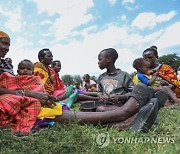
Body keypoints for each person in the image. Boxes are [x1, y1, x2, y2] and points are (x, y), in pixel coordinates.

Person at [0, 31, 164, 134]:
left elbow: (20, 83)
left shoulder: (7, 64)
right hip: (17, 99)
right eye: (4, 43)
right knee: (56, 112)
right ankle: (123, 115)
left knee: (64, 103)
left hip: (28, 96)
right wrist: (32, 93)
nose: (7, 47)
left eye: (8, 44)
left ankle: (123, 121)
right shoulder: (38, 68)